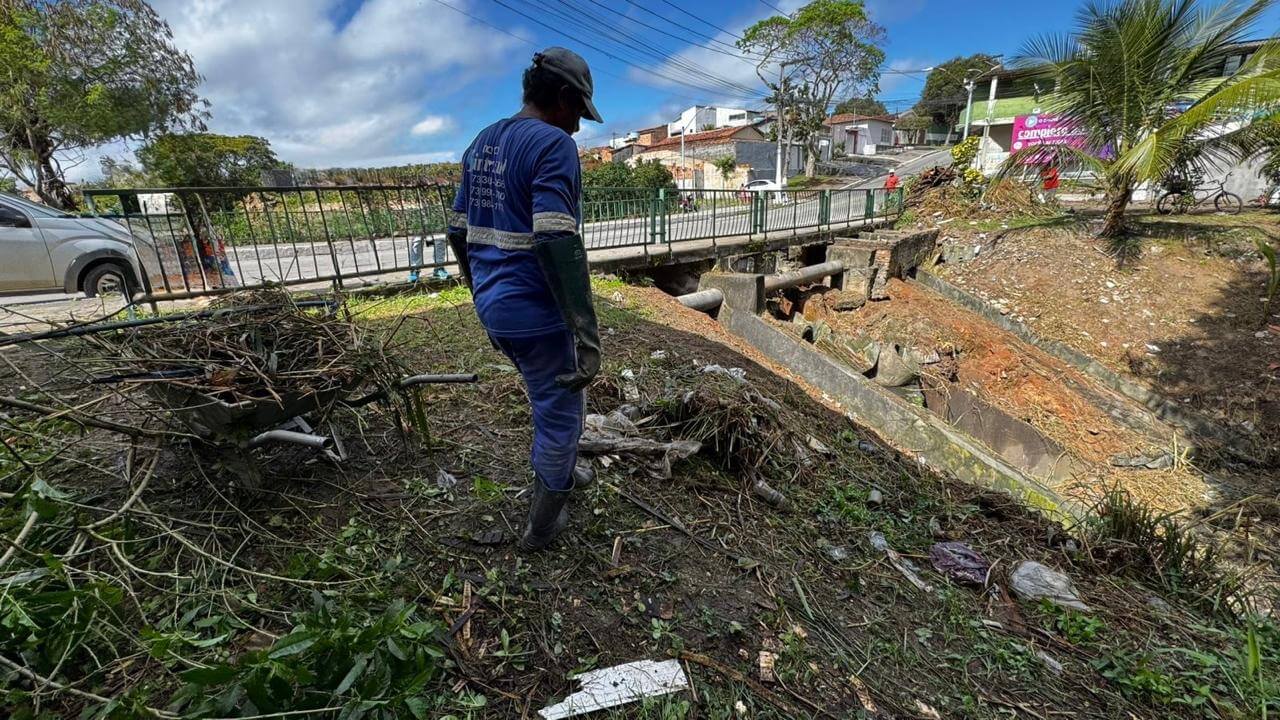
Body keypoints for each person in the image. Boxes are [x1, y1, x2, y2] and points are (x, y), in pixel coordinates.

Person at [447, 48, 603, 551]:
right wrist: (586, 333)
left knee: (544, 395)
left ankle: (559, 472)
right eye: (578, 111)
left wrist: (479, 294)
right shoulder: (553, 144)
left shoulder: (481, 142)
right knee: (562, 414)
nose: (577, 127)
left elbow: (457, 229)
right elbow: (556, 238)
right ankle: (543, 525)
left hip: (497, 309)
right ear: (561, 98)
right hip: (536, 313)